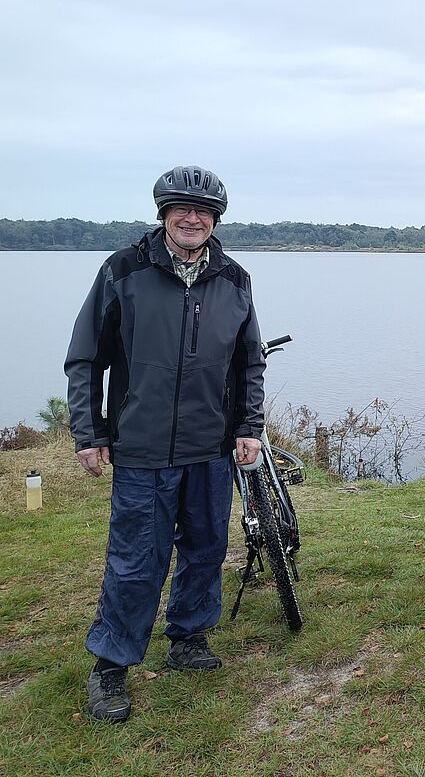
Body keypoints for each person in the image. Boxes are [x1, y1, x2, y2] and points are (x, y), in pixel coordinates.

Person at [66, 166, 266, 723]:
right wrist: (90, 433)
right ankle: (111, 665)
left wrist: (249, 426)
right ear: (163, 213)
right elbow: (86, 358)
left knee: (205, 548)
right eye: (181, 208)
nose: (192, 218)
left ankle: (188, 638)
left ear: (215, 220)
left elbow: (249, 361)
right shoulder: (122, 271)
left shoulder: (234, 278)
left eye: (204, 211)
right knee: (135, 560)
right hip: (142, 446)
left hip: (211, 447)